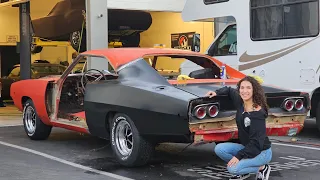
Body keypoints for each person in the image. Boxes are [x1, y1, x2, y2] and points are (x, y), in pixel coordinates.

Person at [205, 76, 272, 180]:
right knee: (220, 149)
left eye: (248, 88)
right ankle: (245, 171)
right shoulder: (241, 103)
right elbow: (229, 90)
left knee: (233, 169)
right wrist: (216, 92)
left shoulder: (257, 114)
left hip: (261, 151)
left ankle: (262, 168)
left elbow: (256, 143)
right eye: (242, 87)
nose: (245, 91)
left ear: (254, 90)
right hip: (248, 147)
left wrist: (238, 156)